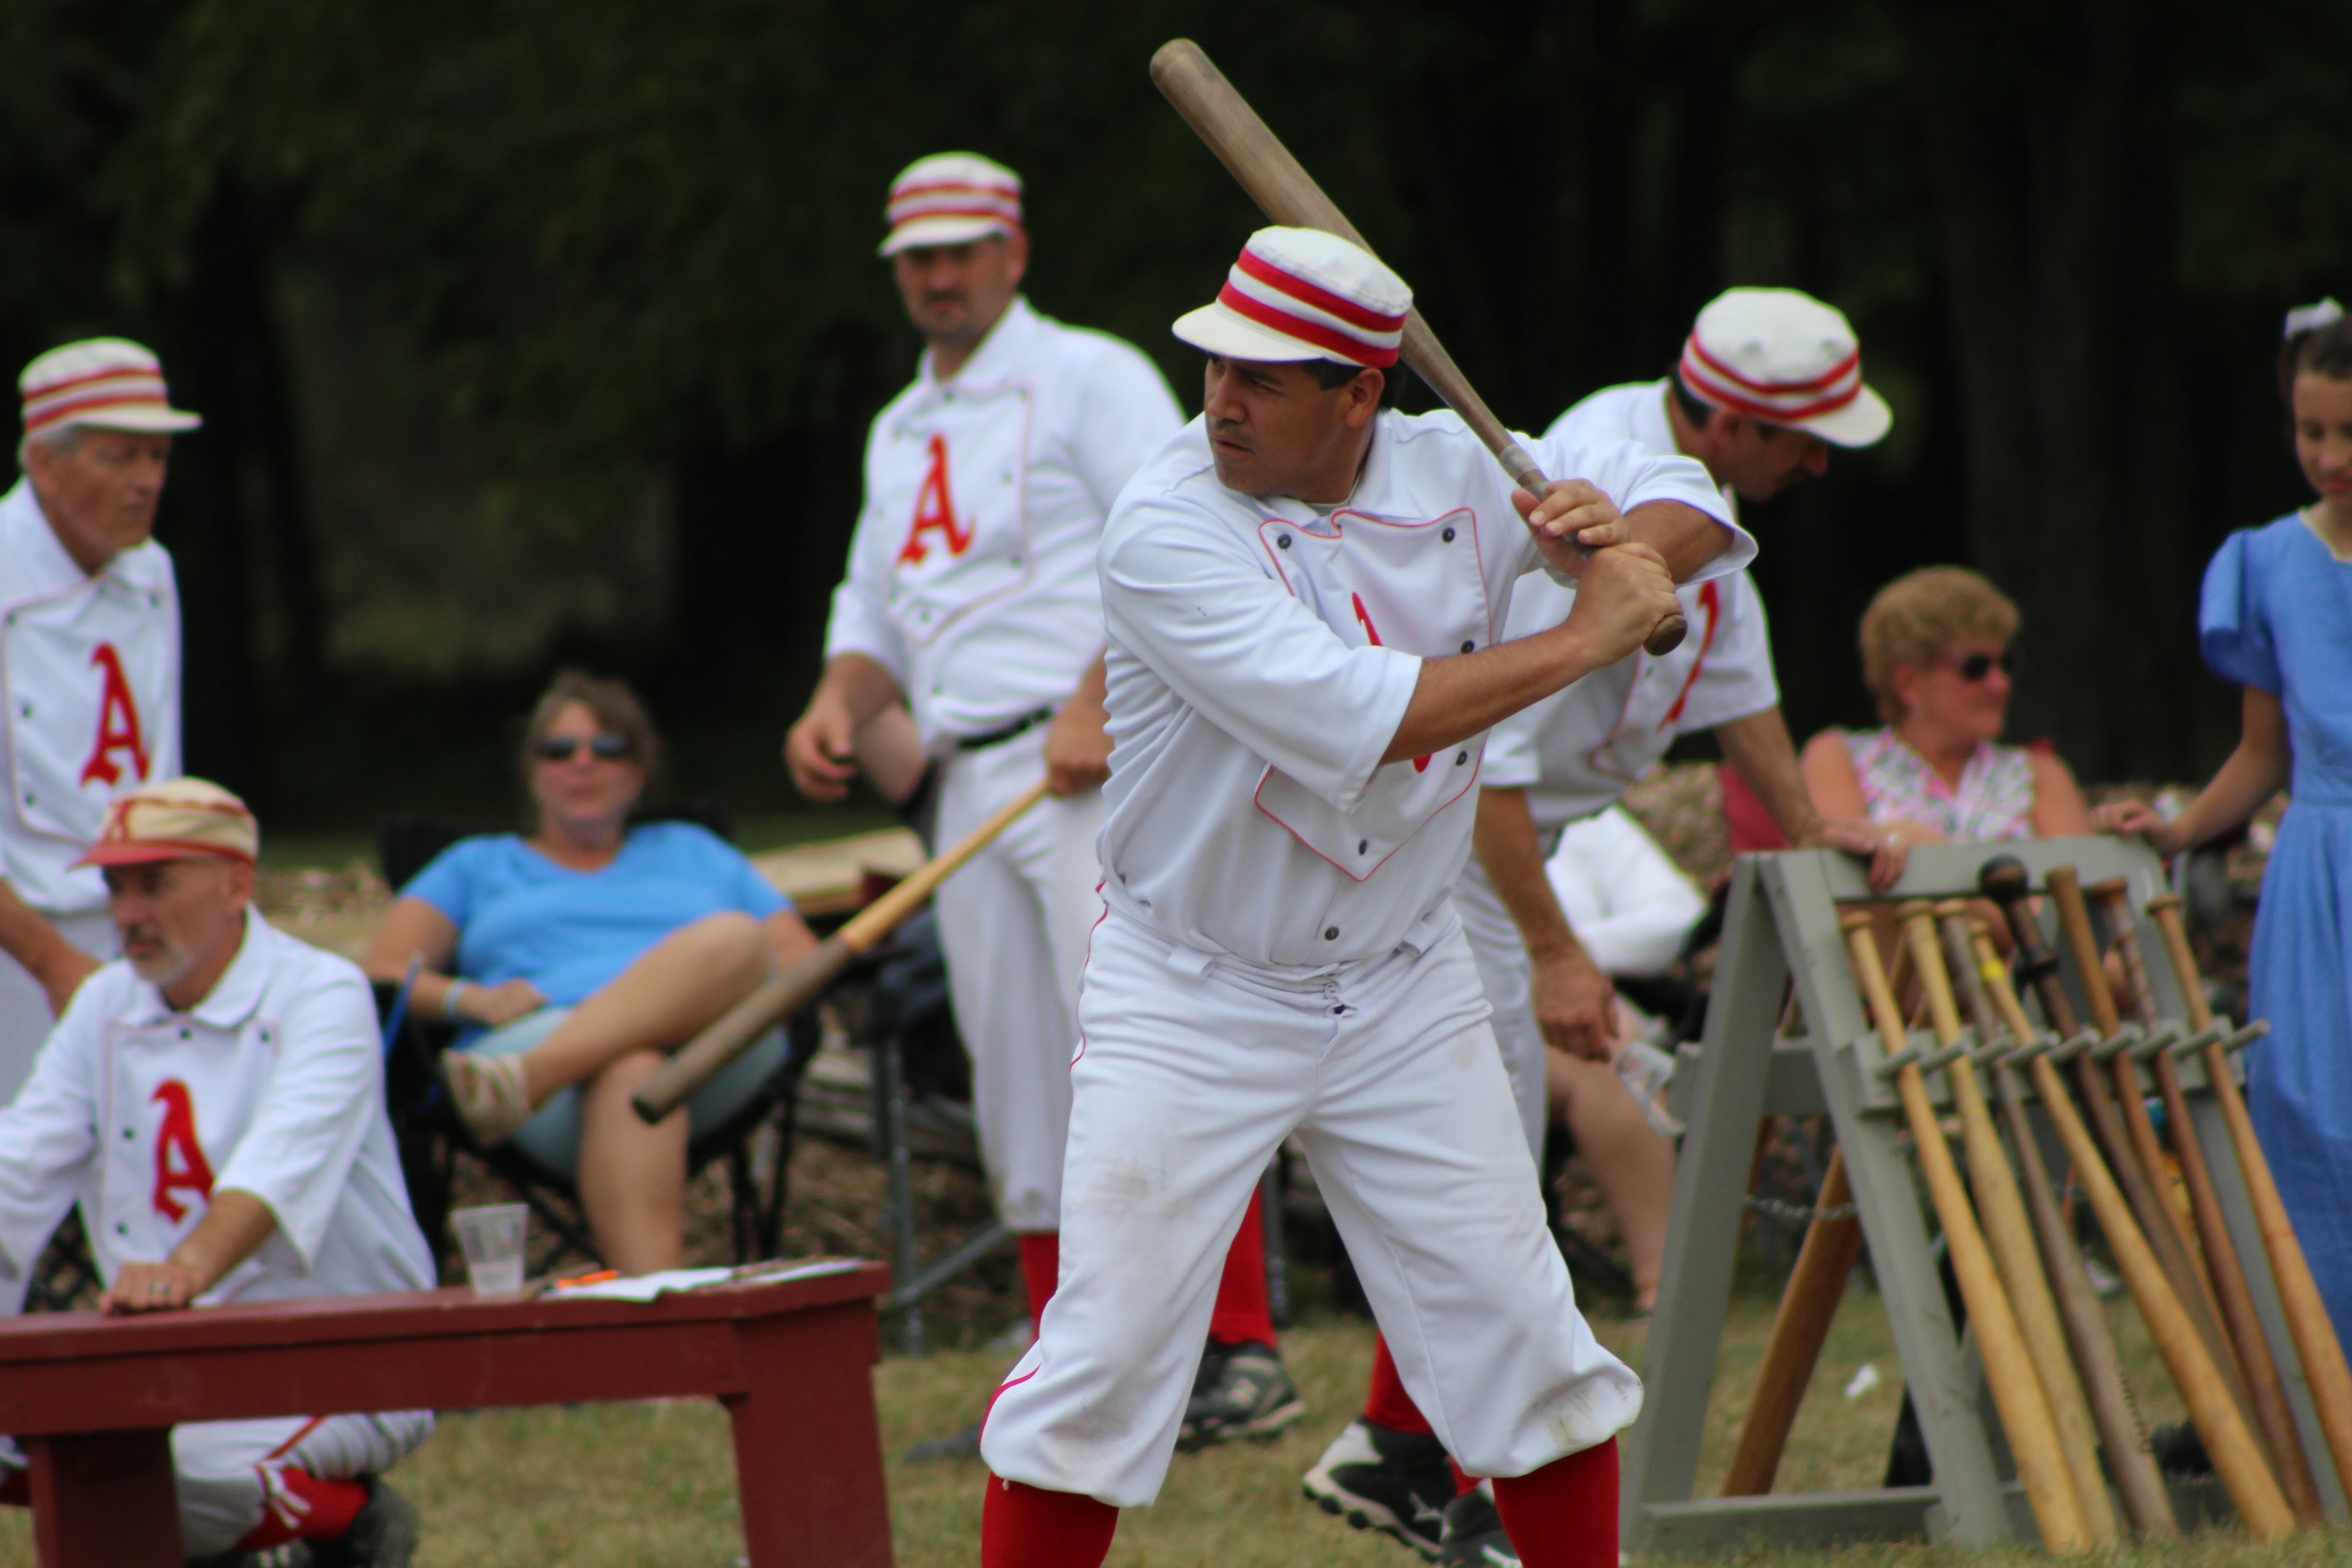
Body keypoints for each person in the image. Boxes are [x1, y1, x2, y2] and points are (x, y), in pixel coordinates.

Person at [976, 225, 1750, 1568]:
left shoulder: (1466, 467)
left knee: (1524, 1336)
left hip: (1401, 979)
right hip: (1193, 983)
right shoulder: (1165, 524)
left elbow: (1677, 488)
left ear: (1359, 396)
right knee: (1099, 1368)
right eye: (1216, 367)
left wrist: (1625, 539)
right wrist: (1588, 629)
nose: (1221, 399)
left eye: (1265, 379)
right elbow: (1362, 715)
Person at [1304, 287, 1898, 1564]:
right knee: (1479, 1177)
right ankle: (1472, 1493)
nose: (1818, 462)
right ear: (1732, 419)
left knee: (1484, 1167)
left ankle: (1397, 1451)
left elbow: (1738, 689)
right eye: (1806, 438)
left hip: (1504, 844)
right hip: (1447, 843)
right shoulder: (1569, 475)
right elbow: (1490, 773)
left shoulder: (1690, 506)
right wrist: (1557, 952)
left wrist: (1808, 822)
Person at [784, 153, 1298, 1454]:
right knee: (1016, 1069)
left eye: (962, 251)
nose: (940, 276)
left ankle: (1235, 1351)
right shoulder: (895, 428)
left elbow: (1184, 528)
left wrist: (1094, 702)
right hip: (964, 782)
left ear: (1013, 252)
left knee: (1144, 1042)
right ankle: (1063, 1364)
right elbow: (871, 610)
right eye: (918, 257)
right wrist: (836, 704)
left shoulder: (1091, 374)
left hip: (1096, 763)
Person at [0, 778, 432, 1567]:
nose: (128, 913)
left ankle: (346, 1523)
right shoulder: (104, 1004)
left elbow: (280, 1164)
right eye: (115, 886)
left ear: (236, 883)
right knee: (62, 1459)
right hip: (157, 1360)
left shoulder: (321, 992)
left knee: (168, 1478)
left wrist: (183, 1270)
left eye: (155, 884)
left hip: (336, 1348)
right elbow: (16, 1170)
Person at [361, 671, 819, 1277]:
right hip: (543, 1039)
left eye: (607, 748)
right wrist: (470, 999)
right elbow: (382, 968)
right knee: (636, 1070)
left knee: (736, 938)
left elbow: (797, 954)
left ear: (638, 772)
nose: (583, 763)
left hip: (703, 1056)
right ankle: (662, 1341)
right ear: (533, 771)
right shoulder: (476, 866)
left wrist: (690, 999)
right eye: (559, 749)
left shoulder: (693, 849)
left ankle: (525, 1080)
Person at [2096, 298, 2352, 1336]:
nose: (2328, 455)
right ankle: (2328, 1384)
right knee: (2308, 1110)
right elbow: (2264, 753)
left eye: (2349, 432)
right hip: (2318, 867)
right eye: (2311, 431)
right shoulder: (2266, 561)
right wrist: (2177, 830)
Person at [0, 339, 192, 1112]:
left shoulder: (152, 571)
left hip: (137, 916)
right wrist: (51, 962)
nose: (148, 481)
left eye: (158, 454)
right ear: (47, 464)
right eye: (121, 457)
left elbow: (162, 772)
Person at [1802, 565, 2092, 845]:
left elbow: (2076, 888)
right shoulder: (1841, 758)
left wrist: (1908, 841)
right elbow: (1841, 879)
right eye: (1975, 668)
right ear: (1908, 684)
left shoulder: (2040, 775)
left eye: (2007, 663)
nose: (2000, 684)